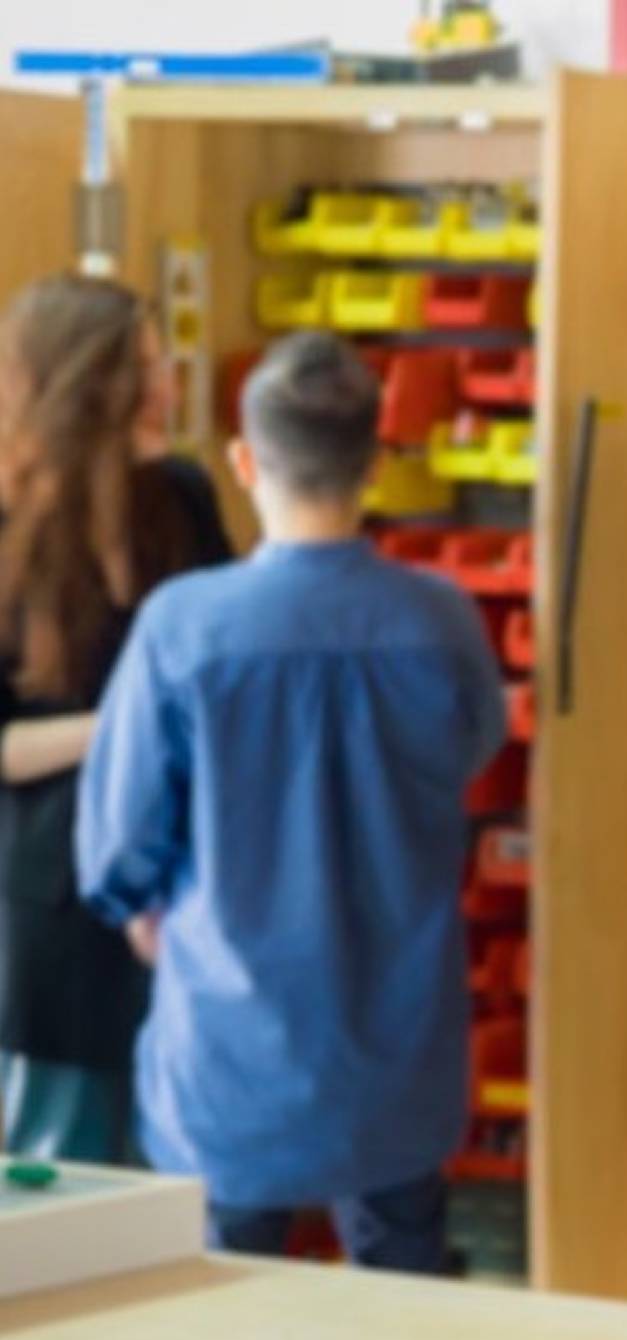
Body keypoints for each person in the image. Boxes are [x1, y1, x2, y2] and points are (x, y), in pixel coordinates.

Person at [77, 333, 504, 1270]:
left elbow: (119, 847)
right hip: (398, 1043)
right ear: (376, 460)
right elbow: (473, 750)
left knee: (224, 1309)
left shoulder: (184, 627)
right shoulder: (440, 619)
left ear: (243, 461)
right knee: (407, 1306)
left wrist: (144, 911)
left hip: (228, 1056)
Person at [0, 274, 230, 1165]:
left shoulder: (183, 496)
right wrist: (128, 722)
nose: (169, 385)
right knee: (67, 1177)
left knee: (183, 1183)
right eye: (146, 368)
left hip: (184, 890)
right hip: (56, 915)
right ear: (83, 389)